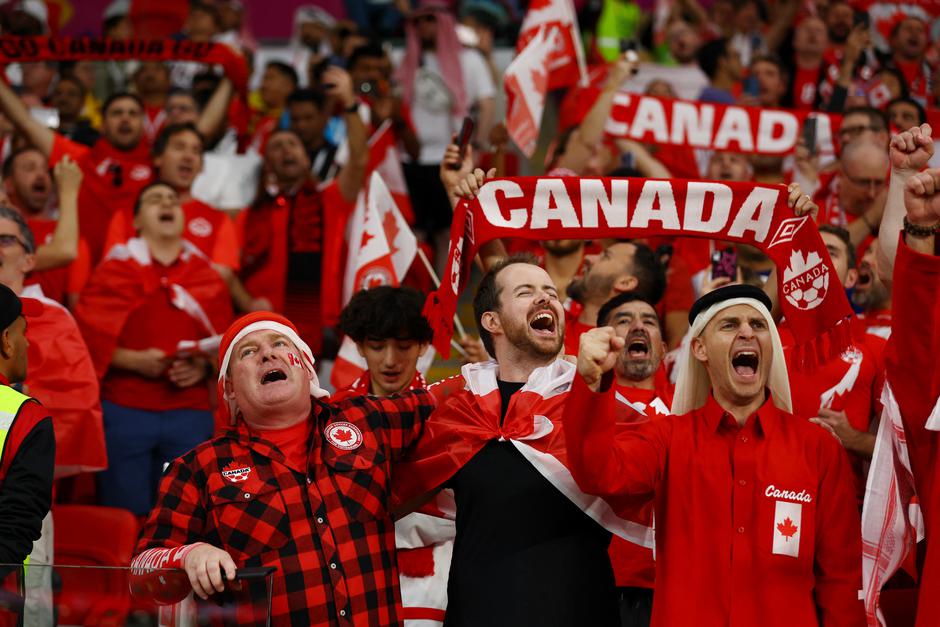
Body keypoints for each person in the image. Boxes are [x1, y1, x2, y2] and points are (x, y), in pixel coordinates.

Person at [565, 281, 865, 626]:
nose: (747, 333)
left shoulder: (818, 448)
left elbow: (841, 580)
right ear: (700, 349)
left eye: (758, 325)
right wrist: (591, 387)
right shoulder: (666, 438)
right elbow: (597, 473)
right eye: (729, 324)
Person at [394, 252, 654, 627]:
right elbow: (387, 495)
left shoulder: (598, 401)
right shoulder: (454, 407)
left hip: (580, 614)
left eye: (550, 291)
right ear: (491, 321)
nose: (546, 298)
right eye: (526, 291)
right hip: (476, 614)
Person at [130, 310, 438, 625]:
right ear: (231, 388)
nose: (267, 353)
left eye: (280, 343)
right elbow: (140, 578)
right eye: (248, 352)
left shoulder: (367, 420)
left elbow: (459, 400)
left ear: (307, 368)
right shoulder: (197, 469)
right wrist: (188, 556)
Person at [73, 182, 233, 515]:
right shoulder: (113, 271)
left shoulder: (206, 275)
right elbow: (84, 340)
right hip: (124, 411)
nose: (167, 203)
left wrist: (203, 367)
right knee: (123, 516)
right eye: (155, 199)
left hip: (189, 414)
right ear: (136, 222)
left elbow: (228, 345)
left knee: (187, 516)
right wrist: (131, 360)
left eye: (173, 199)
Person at [333, 286, 454, 626]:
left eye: (403, 346)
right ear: (358, 345)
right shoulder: (332, 415)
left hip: (436, 571)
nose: (390, 360)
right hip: (354, 568)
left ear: (423, 346)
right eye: (376, 345)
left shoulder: (449, 412)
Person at [237, 79, 367, 355]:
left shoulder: (330, 199)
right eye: (278, 146)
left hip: (323, 331)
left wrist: (351, 106)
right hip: (266, 330)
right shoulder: (251, 213)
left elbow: (358, 159)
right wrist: (247, 302)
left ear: (307, 159)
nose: (286, 150)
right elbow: (226, 270)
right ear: (268, 163)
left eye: (292, 145)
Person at [0, 206, 105, 479]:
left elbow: (76, 405)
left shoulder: (53, 318)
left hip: (24, 478)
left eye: (5, 240)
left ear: (29, 261)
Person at [0, 79, 153, 262]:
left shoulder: (159, 163)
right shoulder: (80, 159)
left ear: (143, 125)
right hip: (79, 269)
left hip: (138, 271)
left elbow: (197, 135)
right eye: (117, 113)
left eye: (133, 113)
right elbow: (25, 122)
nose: (125, 119)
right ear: (102, 124)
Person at [595, 292, 672, 627]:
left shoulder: (689, 408)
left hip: (672, 586)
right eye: (624, 321)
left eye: (649, 321)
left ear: (664, 349)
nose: (638, 326)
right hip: (598, 584)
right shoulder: (582, 407)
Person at [0, 283, 54, 610]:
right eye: (23, 331)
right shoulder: (25, 417)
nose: (27, 342)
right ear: (6, 340)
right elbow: (15, 529)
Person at [2, 149, 89, 307]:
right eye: (29, 168)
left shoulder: (69, 233)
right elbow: (65, 251)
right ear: (8, 184)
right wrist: (68, 191)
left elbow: (77, 305)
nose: (41, 175)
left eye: (46, 170)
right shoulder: (8, 238)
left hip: (47, 325)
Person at [564, 241, 666, 355]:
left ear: (625, 283)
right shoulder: (549, 325)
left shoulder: (636, 355)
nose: (588, 257)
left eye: (605, 257)